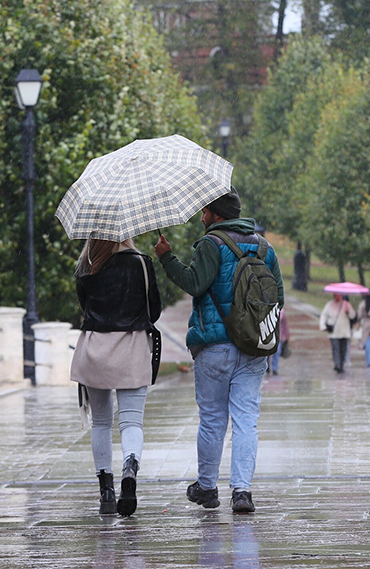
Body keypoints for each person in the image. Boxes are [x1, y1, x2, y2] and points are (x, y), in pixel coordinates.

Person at [154, 187, 283, 514]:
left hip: (214, 345)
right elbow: (277, 296)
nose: (201, 217)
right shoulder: (265, 247)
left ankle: (208, 488)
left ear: (217, 214)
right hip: (253, 347)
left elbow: (195, 283)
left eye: (205, 211)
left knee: (212, 419)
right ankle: (242, 492)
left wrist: (167, 258)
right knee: (246, 420)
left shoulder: (210, 244)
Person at [70, 237, 162, 517]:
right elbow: (154, 311)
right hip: (131, 349)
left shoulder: (87, 265)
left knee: (100, 421)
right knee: (131, 421)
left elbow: (86, 308)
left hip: (95, 349)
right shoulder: (141, 263)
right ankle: (130, 469)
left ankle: (106, 491)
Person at [320, 292, 357, 372]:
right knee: (336, 348)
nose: (337, 297)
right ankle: (337, 364)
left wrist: (348, 311)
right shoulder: (329, 305)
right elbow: (324, 315)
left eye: (339, 295)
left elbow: (353, 316)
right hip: (334, 332)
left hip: (344, 332)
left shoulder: (346, 304)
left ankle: (341, 365)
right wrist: (323, 326)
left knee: (343, 349)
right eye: (336, 295)